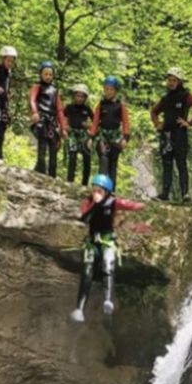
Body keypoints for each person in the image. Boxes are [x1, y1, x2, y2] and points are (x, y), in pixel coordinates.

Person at [70, 174, 144, 322]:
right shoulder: (87, 202)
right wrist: (96, 205)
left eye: (100, 191)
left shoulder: (113, 202)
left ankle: (108, 300)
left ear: (107, 192)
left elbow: (132, 206)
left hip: (107, 240)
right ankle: (79, 308)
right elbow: (85, 219)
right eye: (94, 190)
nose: (96, 193)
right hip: (92, 242)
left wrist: (142, 206)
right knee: (87, 271)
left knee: (108, 266)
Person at [150, 67, 192, 201]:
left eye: (174, 80)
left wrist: (190, 123)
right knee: (167, 164)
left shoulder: (186, 96)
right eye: (169, 80)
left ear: (179, 81)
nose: (171, 83)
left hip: (180, 134)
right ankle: (164, 194)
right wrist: (157, 124)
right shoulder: (165, 98)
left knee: (181, 163)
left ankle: (185, 194)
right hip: (166, 135)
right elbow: (153, 112)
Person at [87, 76, 130, 191]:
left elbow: (126, 122)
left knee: (113, 164)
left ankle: (111, 190)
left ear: (115, 91)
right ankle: (100, 187)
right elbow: (95, 122)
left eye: (111, 89)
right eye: (106, 89)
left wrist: (125, 137)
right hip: (102, 136)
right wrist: (91, 137)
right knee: (103, 159)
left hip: (115, 137)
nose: (109, 91)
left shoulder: (120, 106)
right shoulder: (100, 105)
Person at [29, 61, 67, 178]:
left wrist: (63, 127)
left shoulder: (55, 91)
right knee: (42, 149)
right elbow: (32, 100)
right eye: (45, 74)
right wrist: (35, 112)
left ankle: (52, 177)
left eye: (50, 74)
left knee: (53, 151)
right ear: (41, 74)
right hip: (42, 120)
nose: (48, 77)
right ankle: (40, 174)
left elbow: (59, 110)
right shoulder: (37, 87)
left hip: (53, 123)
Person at [64, 84, 93, 185]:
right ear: (74, 96)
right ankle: (69, 181)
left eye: (82, 96)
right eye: (78, 96)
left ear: (85, 98)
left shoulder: (87, 108)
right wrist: (65, 127)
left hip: (84, 135)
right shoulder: (69, 107)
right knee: (72, 157)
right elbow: (63, 118)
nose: (80, 98)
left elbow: (96, 123)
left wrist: (88, 126)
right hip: (72, 133)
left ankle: (85, 183)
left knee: (87, 158)